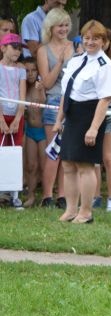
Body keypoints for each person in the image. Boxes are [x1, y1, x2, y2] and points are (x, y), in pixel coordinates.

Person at [53, 20, 111, 224]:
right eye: (87, 38)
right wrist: (58, 119)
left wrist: (94, 128)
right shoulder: (76, 60)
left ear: (104, 41)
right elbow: (66, 92)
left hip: (90, 114)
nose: (90, 42)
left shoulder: (106, 66)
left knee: (85, 165)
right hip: (72, 114)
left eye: (95, 38)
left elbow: (105, 99)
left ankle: (86, 211)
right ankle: (71, 210)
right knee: (68, 164)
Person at [35, 7, 73, 209]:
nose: (64, 29)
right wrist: (60, 61)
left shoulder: (76, 47)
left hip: (72, 102)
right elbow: (47, 82)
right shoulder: (43, 50)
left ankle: (62, 195)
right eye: (60, 25)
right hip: (52, 101)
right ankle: (47, 196)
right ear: (51, 27)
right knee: (54, 151)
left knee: (66, 152)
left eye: (67, 25)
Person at [90, 31, 111, 213]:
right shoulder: (90, 62)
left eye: (106, 40)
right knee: (93, 159)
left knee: (108, 158)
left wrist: (100, 91)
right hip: (93, 112)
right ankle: (95, 197)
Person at [0, 32, 25, 209]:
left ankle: (14, 194)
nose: (17, 51)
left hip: (16, 115)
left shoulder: (21, 70)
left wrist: (18, 117)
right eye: (14, 47)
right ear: (3, 48)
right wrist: (1, 119)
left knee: (16, 152)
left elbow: (22, 97)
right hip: (1, 114)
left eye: (19, 48)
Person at [22, 56, 46, 207]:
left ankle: (45, 195)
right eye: (27, 71)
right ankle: (30, 195)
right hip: (30, 130)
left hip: (43, 130)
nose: (30, 74)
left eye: (33, 70)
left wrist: (42, 89)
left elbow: (45, 103)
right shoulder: (22, 87)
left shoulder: (42, 85)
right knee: (31, 165)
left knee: (44, 166)